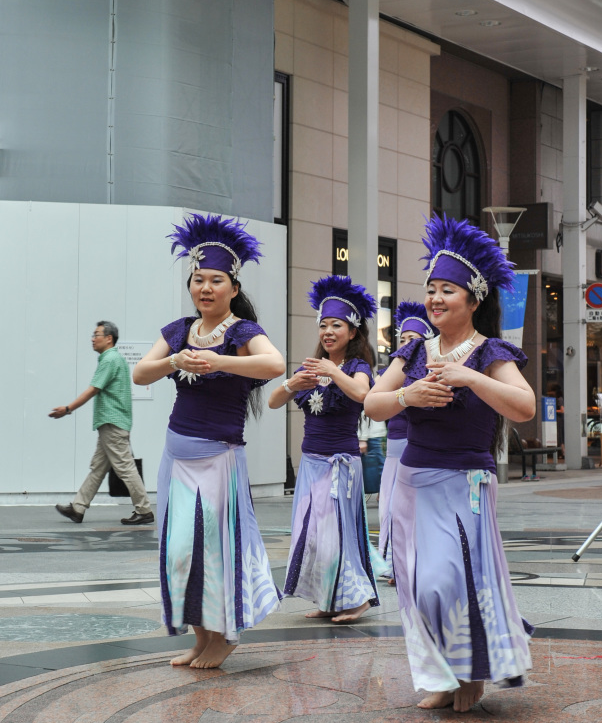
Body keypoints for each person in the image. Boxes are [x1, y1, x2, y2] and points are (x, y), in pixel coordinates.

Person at [365, 214, 536, 713]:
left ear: (474, 299)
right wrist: (408, 394)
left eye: (449, 290)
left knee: (448, 581)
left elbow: (523, 407)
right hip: (412, 484)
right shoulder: (414, 350)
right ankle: (442, 674)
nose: (436, 298)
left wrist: (471, 379)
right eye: (432, 288)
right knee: (418, 587)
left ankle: (471, 669)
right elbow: (373, 405)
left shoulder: (490, 352)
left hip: (464, 484)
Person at [133, 213, 285, 669]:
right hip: (176, 456)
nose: (205, 288)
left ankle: (222, 636)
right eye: (197, 279)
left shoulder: (242, 333)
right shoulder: (179, 330)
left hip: (218, 459)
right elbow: (140, 372)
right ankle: (201, 636)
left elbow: (274, 365)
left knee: (213, 552)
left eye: (215, 280)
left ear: (234, 288)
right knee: (179, 550)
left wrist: (219, 363)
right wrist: (174, 359)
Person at [269, 275, 382, 623]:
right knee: (313, 536)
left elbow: (363, 395)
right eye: (324, 325)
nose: (328, 331)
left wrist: (333, 371)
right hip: (311, 463)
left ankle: (358, 598)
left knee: (338, 535)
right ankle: (328, 597)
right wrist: (292, 382)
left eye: (337, 325)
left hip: (340, 464)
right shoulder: (311, 367)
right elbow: (274, 402)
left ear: (352, 331)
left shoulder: (357, 367)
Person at [49, 321, 154, 525]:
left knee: (125, 467)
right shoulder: (116, 359)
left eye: (96, 334)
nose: (92, 338)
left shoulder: (110, 359)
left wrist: (68, 409)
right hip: (113, 422)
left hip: (112, 422)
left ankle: (144, 510)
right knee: (98, 467)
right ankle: (78, 508)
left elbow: (93, 389)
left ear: (109, 338)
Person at [377, 301, 435, 582]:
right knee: (388, 509)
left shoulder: (430, 372)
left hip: (417, 452)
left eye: (413, 339)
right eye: (402, 339)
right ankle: (391, 564)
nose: (407, 344)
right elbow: (372, 408)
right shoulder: (389, 375)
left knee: (411, 511)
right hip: (393, 451)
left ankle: (409, 563)